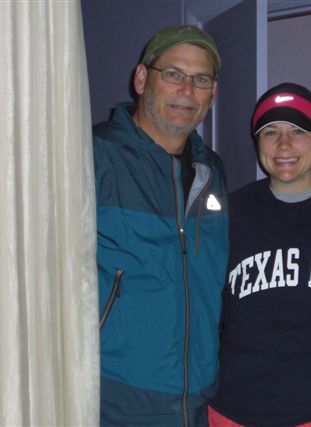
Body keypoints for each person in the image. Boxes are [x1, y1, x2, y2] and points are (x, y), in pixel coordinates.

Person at [93, 25, 229, 426]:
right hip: (114, 401)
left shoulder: (213, 170)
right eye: (173, 74)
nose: (186, 90)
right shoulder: (93, 156)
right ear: (141, 79)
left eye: (200, 79)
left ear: (212, 94)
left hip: (197, 400)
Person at [209, 83, 311, 426]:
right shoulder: (226, 214)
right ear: (257, 143)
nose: (284, 144)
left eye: (298, 131)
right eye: (270, 132)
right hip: (235, 410)